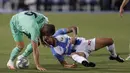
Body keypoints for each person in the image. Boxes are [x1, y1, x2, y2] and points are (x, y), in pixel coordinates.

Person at [43, 26, 124, 68]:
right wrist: (70, 66)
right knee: (73, 55)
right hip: (80, 53)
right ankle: (86, 63)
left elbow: (73, 27)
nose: (47, 41)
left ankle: (114, 56)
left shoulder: (58, 33)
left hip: (85, 43)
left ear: (50, 35)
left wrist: (74, 36)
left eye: (47, 38)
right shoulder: (55, 52)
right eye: (46, 41)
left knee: (110, 41)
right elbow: (64, 64)